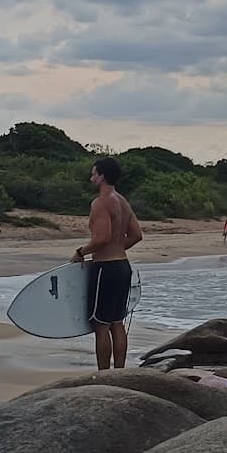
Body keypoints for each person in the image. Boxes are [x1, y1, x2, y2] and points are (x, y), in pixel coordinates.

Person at [72, 157, 142, 371]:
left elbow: (102, 238)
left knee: (101, 324)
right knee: (117, 322)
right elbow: (137, 235)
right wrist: (118, 248)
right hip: (122, 266)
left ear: (102, 176)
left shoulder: (101, 202)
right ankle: (119, 371)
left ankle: (104, 374)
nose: (91, 177)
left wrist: (80, 252)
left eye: (94, 173)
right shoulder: (122, 201)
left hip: (105, 269)